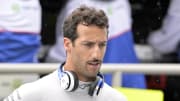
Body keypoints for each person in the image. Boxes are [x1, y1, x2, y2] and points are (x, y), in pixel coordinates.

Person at [3, 5, 127, 101]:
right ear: (67, 44)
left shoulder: (116, 99)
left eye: (102, 45)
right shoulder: (32, 93)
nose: (96, 54)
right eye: (88, 45)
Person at [45, 0, 146, 88]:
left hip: (99, 89)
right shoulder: (123, 3)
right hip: (132, 85)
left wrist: (46, 58)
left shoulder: (78, 6)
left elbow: (61, 55)